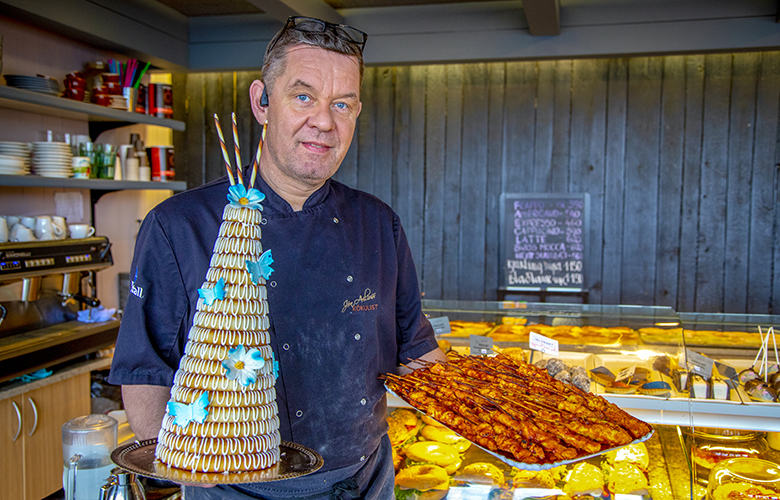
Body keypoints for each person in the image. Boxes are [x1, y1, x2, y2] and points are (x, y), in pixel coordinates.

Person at [108, 16, 447, 500]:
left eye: (342, 104)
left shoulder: (378, 223)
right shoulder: (179, 226)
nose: (325, 121)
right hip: (236, 489)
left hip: (367, 482)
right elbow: (146, 374)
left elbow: (418, 356)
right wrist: (187, 471)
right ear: (261, 102)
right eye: (303, 96)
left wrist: (509, 401)